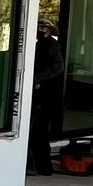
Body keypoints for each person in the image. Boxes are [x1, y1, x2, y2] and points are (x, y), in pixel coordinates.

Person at [28, 19, 64, 175]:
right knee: (34, 130)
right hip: (38, 92)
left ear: (49, 30)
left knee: (39, 130)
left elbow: (58, 67)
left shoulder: (51, 45)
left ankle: (42, 166)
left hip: (46, 94)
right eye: (39, 28)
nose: (40, 30)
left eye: (43, 28)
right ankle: (37, 165)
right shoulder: (37, 45)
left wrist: (37, 77)